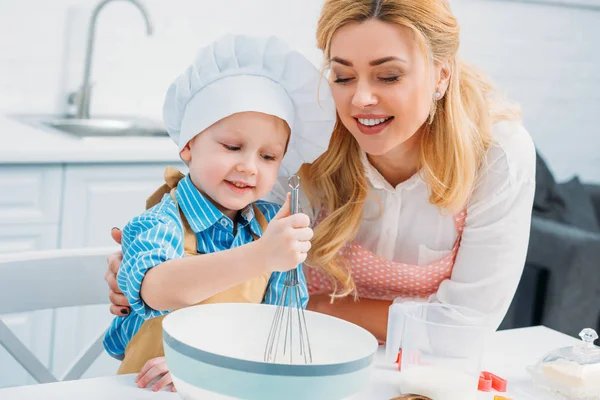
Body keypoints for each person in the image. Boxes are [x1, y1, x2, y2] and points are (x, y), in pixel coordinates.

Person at [107, 0, 536, 387]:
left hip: (416, 374)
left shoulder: (497, 155)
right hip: (292, 363)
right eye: (342, 76)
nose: (360, 99)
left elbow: (465, 327)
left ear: (441, 75)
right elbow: (216, 237)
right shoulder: (301, 144)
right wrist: (146, 272)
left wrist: (315, 310)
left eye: (388, 75)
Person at [103, 33, 336, 391]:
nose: (249, 166)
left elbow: (280, 327)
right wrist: (262, 256)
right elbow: (155, 288)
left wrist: (209, 367)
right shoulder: (159, 222)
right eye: (232, 146)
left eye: (268, 156)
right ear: (188, 145)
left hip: (230, 386)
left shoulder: (268, 227)